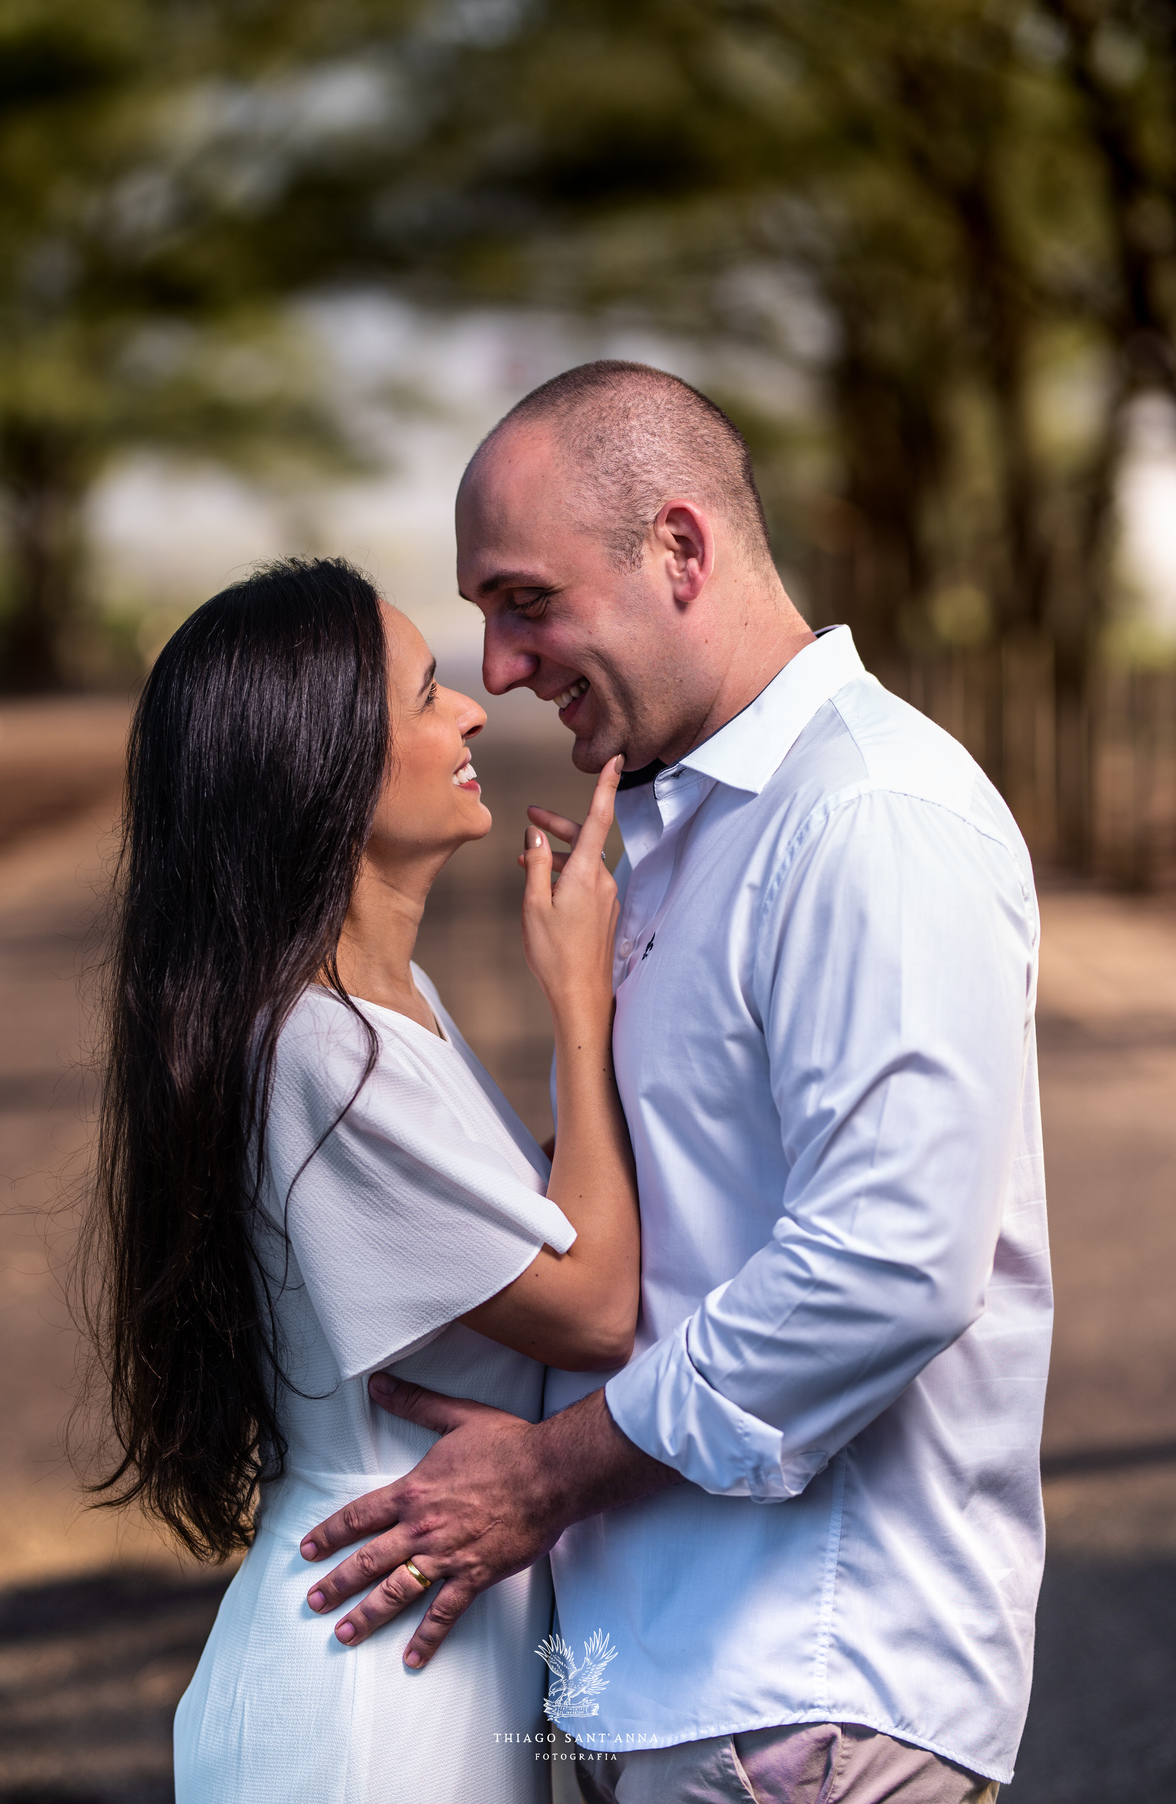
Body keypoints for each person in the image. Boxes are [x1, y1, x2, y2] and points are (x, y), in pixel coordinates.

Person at [300, 364, 1053, 1803]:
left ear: (682, 550)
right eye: (480, 621)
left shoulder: (870, 817)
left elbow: (889, 1260)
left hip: (806, 1698)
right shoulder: (698, 824)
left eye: (524, 600)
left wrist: (554, 1473)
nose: (500, 668)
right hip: (685, 1683)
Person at [81, 555, 640, 1804]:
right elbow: (593, 1298)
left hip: (430, 1638)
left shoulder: (390, 1009)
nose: (473, 712)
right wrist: (579, 1003)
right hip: (364, 1686)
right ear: (319, 762)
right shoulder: (320, 1050)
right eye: (427, 693)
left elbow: (538, 1237)